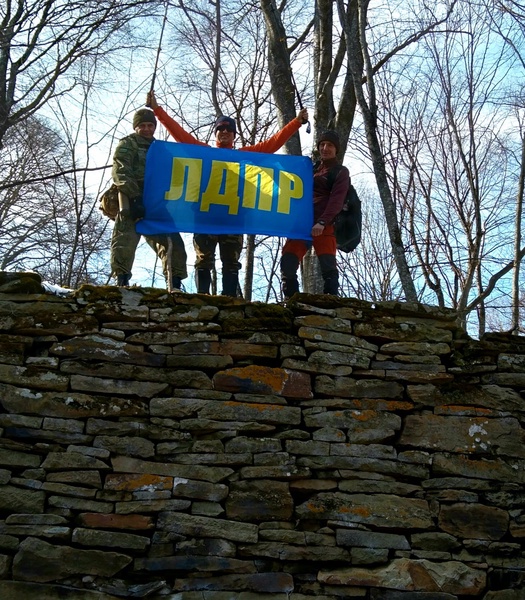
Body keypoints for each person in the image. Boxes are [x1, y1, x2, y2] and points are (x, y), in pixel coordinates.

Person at [146, 91, 309, 296]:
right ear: (215, 134)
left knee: (231, 261)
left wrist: (296, 122)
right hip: (205, 214)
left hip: (234, 217)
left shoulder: (244, 155)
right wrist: (157, 109)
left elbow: (273, 143)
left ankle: (230, 299)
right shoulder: (204, 152)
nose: (224, 132)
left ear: (234, 135)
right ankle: (202, 296)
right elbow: (180, 135)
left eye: (229, 130)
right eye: (220, 129)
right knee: (203, 258)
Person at [111, 108, 188, 291]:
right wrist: (135, 197)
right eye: (142, 126)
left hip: (156, 202)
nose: (146, 129)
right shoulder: (127, 144)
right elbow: (121, 171)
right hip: (130, 199)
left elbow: (173, 175)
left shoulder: (161, 149)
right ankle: (122, 281)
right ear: (136, 127)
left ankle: (175, 283)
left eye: (150, 125)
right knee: (124, 241)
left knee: (172, 242)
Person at [280, 130, 349, 299]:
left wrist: (323, 222)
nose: (325, 148)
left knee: (328, 267)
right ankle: (292, 300)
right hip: (301, 224)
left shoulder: (340, 172)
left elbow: (337, 200)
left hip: (324, 225)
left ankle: (332, 303)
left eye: (330, 145)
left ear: (336, 149)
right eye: (322, 145)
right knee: (287, 263)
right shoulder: (309, 170)